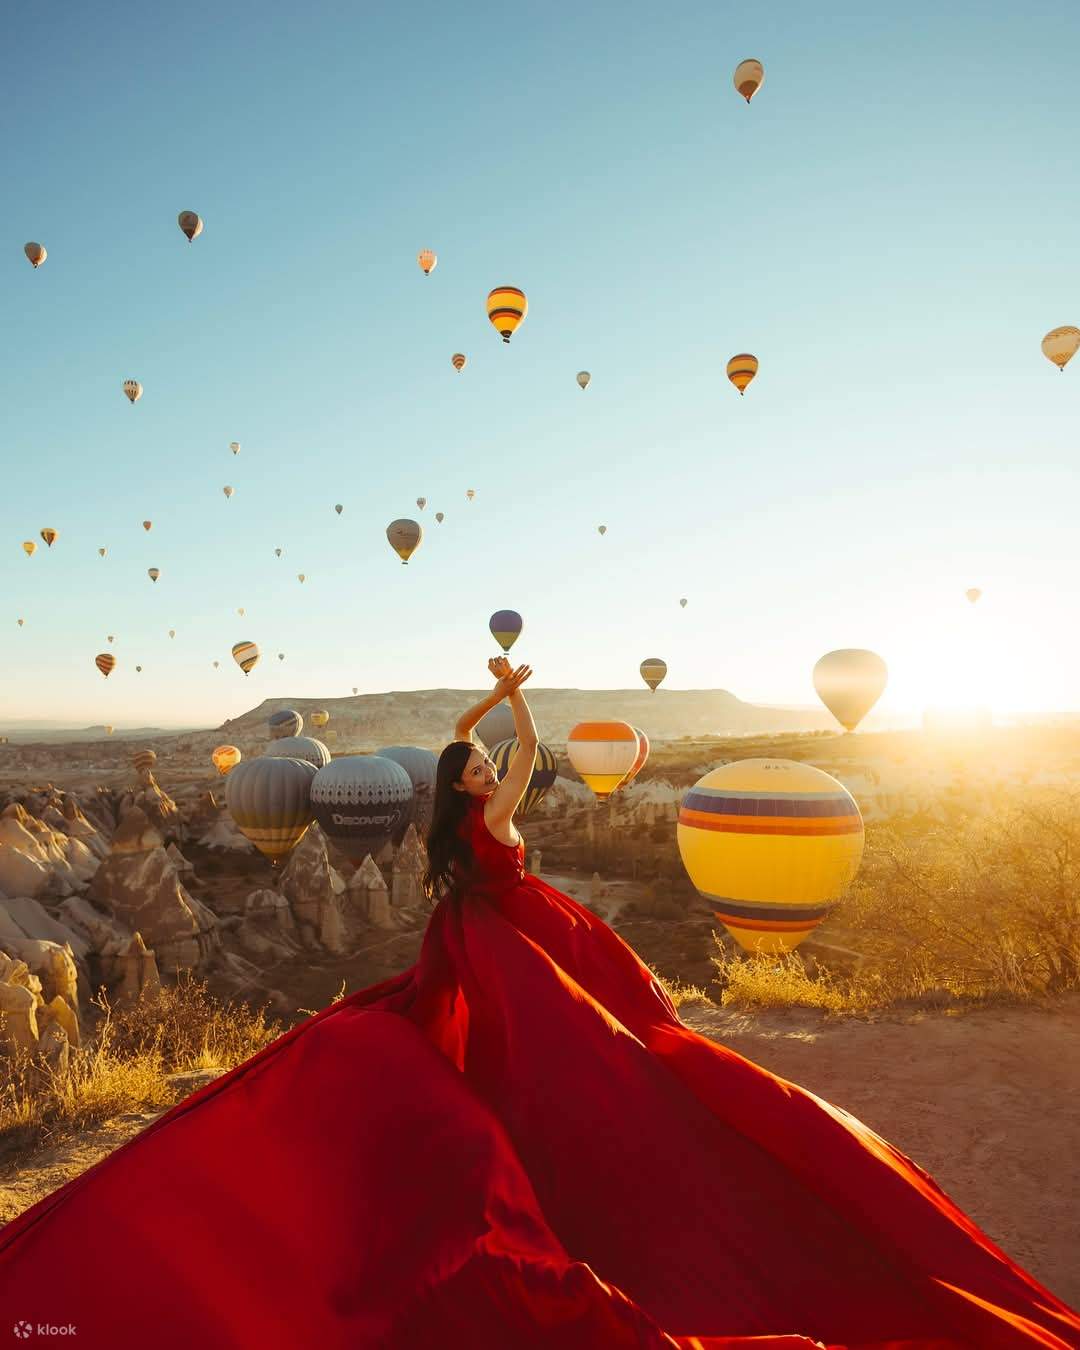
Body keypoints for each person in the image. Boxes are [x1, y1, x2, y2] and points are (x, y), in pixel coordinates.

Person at [0, 664, 1078, 1350]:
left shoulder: (448, 824)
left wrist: (481, 704)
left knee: (518, 1048)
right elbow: (522, 758)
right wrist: (514, 703)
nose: (490, 778)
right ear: (476, 784)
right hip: (524, 937)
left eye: (474, 770)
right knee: (582, 1056)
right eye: (481, 772)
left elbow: (478, 753)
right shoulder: (496, 806)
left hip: (483, 936)